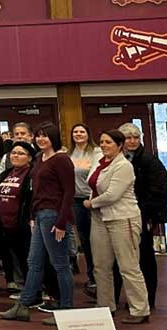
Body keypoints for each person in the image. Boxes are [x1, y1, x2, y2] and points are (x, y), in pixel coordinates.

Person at [0, 123, 75, 325]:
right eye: (39, 136)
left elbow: (69, 192)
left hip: (54, 215)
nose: (41, 140)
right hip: (40, 215)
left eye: (45, 136)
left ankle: (66, 308)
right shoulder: (40, 159)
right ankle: (23, 306)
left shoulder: (61, 159)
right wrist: (32, 216)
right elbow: (35, 191)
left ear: (54, 138)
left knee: (60, 264)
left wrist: (61, 222)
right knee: (34, 262)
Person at [84, 129, 151, 324]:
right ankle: (105, 306)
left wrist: (91, 203)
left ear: (119, 145)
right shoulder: (99, 162)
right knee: (101, 266)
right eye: (102, 142)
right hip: (99, 219)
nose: (104, 145)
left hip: (122, 218)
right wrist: (93, 202)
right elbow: (93, 185)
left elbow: (113, 195)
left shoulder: (124, 166)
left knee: (128, 266)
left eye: (109, 142)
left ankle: (140, 309)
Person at [117, 122, 166, 310]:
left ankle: (148, 299)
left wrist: (150, 216)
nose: (132, 141)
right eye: (128, 138)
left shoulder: (149, 160)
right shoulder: (119, 159)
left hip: (143, 215)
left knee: (145, 258)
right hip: (123, 214)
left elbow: (157, 191)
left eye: (135, 137)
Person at [0, 141, 35, 295]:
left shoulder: (32, 174)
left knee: (27, 258)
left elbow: (32, 199)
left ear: (30, 157)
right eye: (13, 153)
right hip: (5, 224)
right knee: (14, 258)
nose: (15, 156)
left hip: (24, 224)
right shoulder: (5, 174)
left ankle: (33, 290)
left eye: (20, 153)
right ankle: (21, 286)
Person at [68, 123, 102, 291]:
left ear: (88, 134)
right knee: (85, 240)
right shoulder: (68, 153)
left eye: (82, 131)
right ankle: (92, 276)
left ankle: (100, 276)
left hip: (93, 200)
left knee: (96, 240)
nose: (78, 134)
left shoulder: (96, 152)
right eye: (75, 132)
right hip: (76, 201)